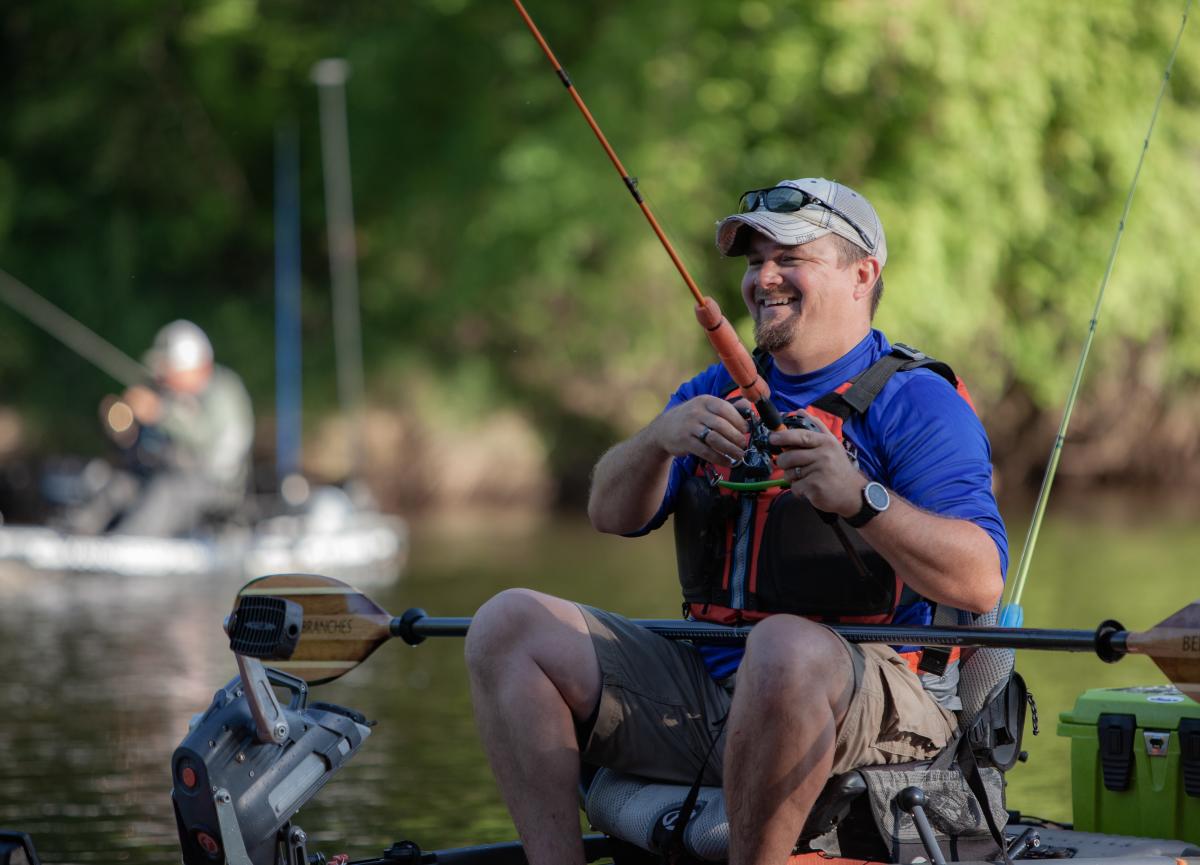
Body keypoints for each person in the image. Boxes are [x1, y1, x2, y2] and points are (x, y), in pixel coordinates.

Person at [465, 178, 1007, 865]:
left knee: (783, 648)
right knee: (505, 623)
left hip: (876, 700)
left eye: (789, 258)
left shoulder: (917, 402)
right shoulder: (710, 390)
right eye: (754, 262)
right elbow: (607, 510)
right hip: (710, 694)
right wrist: (662, 437)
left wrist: (858, 495)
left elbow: (981, 580)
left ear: (861, 274)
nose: (763, 278)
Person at [76, 320, 255, 537]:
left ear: (197, 367)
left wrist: (161, 413)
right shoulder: (167, 395)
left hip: (214, 486)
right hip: (163, 476)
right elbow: (145, 449)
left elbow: (209, 441)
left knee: (166, 491)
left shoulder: (223, 393)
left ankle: (129, 546)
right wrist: (125, 429)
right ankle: (75, 535)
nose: (162, 376)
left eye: (169, 368)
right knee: (119, 484)